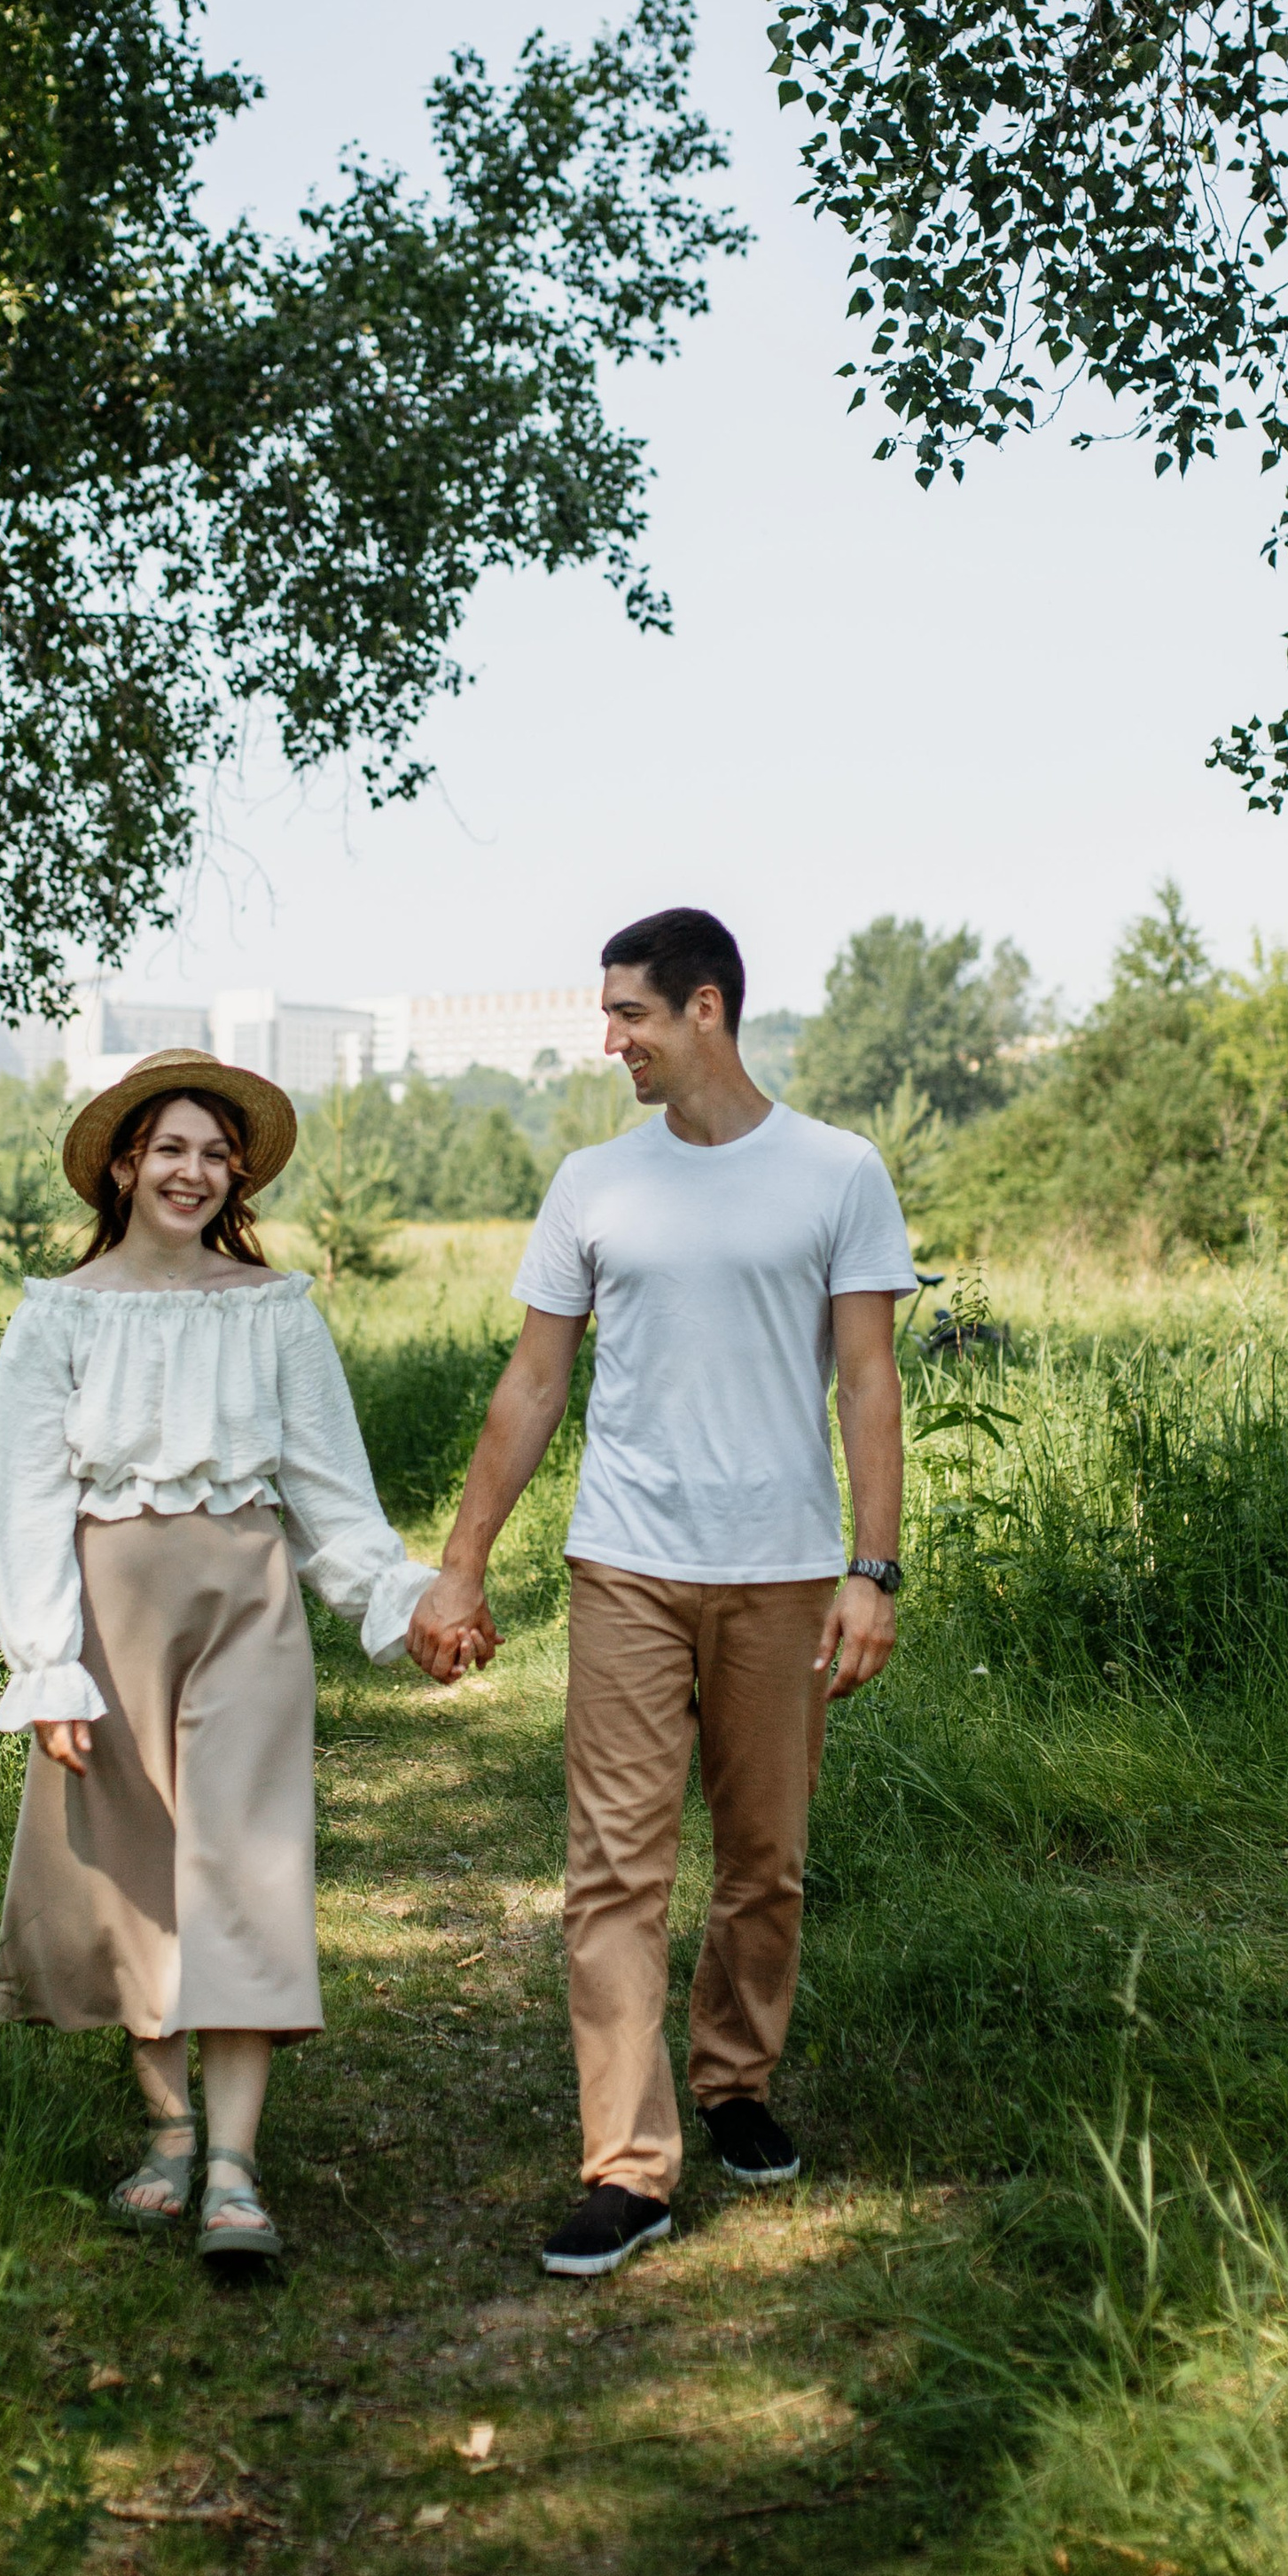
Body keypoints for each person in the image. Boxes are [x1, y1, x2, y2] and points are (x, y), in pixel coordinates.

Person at [407, 908, 916, 2278]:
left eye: (628, 1012)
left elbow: (869, 1379)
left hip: (786, 1569)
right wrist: (464, 1557)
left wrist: (874, 1569)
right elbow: (533, 1382)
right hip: (626, 1561)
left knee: (765, 1861)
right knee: (615, 1870)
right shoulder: (592, 1181)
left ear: (706, 1009)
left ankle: (734, 2080)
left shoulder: (837, 1171)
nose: (610, 1039)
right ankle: (628, 2166)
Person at [0, 1049, 433, 2261]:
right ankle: (170, 2132)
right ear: (125, 1163)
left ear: (234, 1176)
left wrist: (404, 1603)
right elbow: (24, 1497)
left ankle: (236, 2166)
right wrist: (45, 1661)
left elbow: (334, 1494)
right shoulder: (57, 1316)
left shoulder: (275, 1310)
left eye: (214, 1154)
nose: (193, 1170)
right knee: (136, 1871)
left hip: (248, 1611)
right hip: (109, 1619)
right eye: (171, 1148)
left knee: (247, 1867)